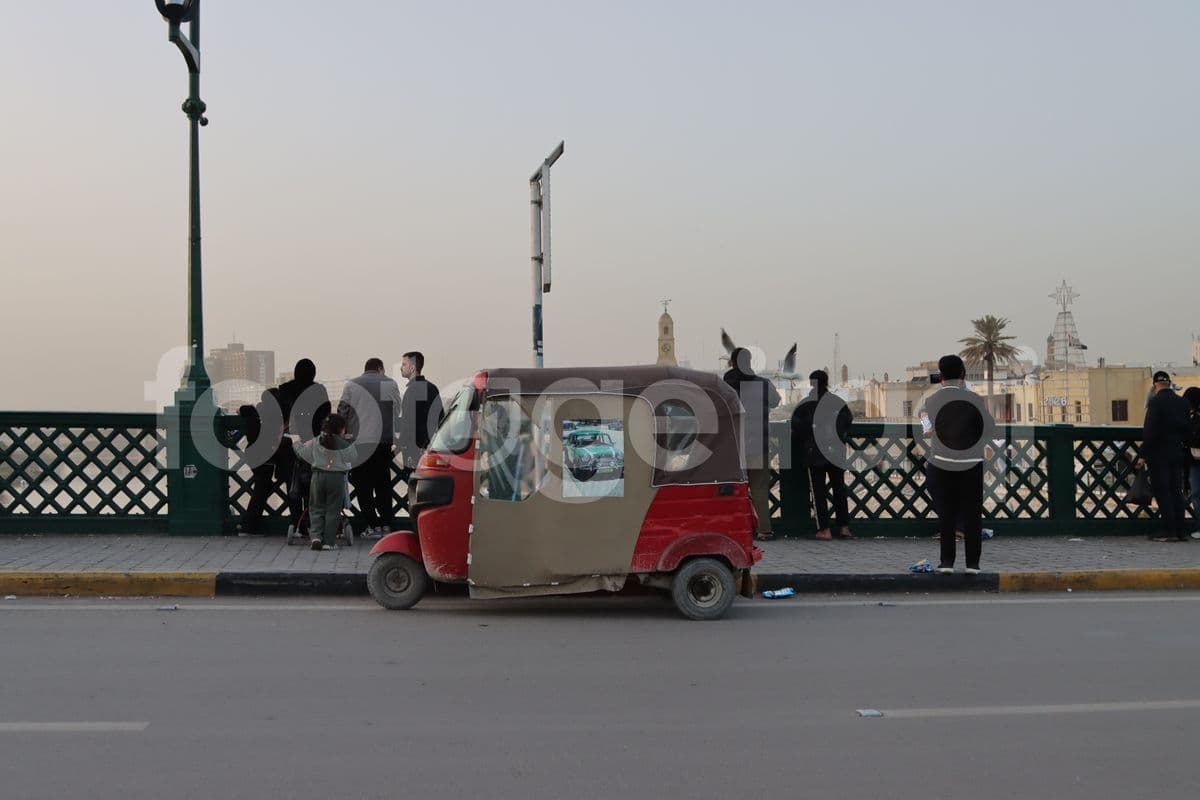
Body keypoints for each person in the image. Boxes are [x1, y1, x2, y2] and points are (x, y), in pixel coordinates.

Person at [921, 354, 995, 574]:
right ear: (963, 374)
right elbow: (989, 429)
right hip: (971, 464)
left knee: (946, 513)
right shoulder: (975, 399)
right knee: (972, 514)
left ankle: (946, 563)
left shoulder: (930, 402)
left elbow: (926, 430)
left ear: (941, 376)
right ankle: (973, 564)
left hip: (942, 463)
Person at [338, 358, 403, 537]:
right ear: (380, 369)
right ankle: (386, 524)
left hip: (360, 442)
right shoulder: (388, 383)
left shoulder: (352, 385)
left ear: (365, 369)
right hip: (383, 441)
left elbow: (342, 411)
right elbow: (396, 409)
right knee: (383, 483)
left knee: (363, 485)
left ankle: (372, 524)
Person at [723, 347, 781, 541]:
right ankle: (764, 529)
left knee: (733, 490)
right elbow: (775, 401)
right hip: (759, 444)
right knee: (759, 489)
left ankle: (735, 530)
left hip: (734, 447)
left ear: (731, 363)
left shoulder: (726, 385)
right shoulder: (763, 384)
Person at [791, 370, 853, 540]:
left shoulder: (805, 404)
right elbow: (847, 420)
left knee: (818, 492)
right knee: (839, 488)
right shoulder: (838, 402)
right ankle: (844, 527)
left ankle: (824, 529)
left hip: (814, 452)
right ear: (827, 382)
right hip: (836, 452)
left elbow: (797, 428)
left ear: (811, 383)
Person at [1137, 371, 1191, 542]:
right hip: (1177, 451)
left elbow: (1150, 431)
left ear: (1155, 385)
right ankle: (1180, 530)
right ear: (1169, 383)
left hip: (1159, 454)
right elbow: (1187, 429)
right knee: (1176, 491)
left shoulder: (1155, 402)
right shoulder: (1182, 402)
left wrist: (1143, 454)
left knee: (1163, 491)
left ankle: (1169, 530)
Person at [277, 358, 330, 529]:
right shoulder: (319, 390)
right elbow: (325, 413)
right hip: (312, 444)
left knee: (292, 484)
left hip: (289, 444)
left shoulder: (284, 390)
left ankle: (296, 522)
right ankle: (309, 522)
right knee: (311, 484)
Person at [293, 413, 357, 551]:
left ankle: (316, 537)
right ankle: (329, 542)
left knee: (316, 507)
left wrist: (296, 443)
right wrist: (347, 442)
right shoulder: (342, 443)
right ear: (341, 429)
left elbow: (302, 454)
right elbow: (352, 456)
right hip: (336, 478)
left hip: (318, 477)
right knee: (333, 510)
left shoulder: (316, 441)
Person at [237, 388, 285, 536]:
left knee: (261, 488)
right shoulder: (276, 417)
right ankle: (248, 527)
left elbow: (242, 409)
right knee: (262, 490)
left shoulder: (255, 411)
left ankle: (247, 524)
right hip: (267, 458)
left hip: (252, 454)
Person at [1184, 387, 1200, 539]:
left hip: (1195, 461)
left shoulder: (1193, 417)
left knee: (1196, 494)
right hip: (1194, 461)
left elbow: (1191, 437)